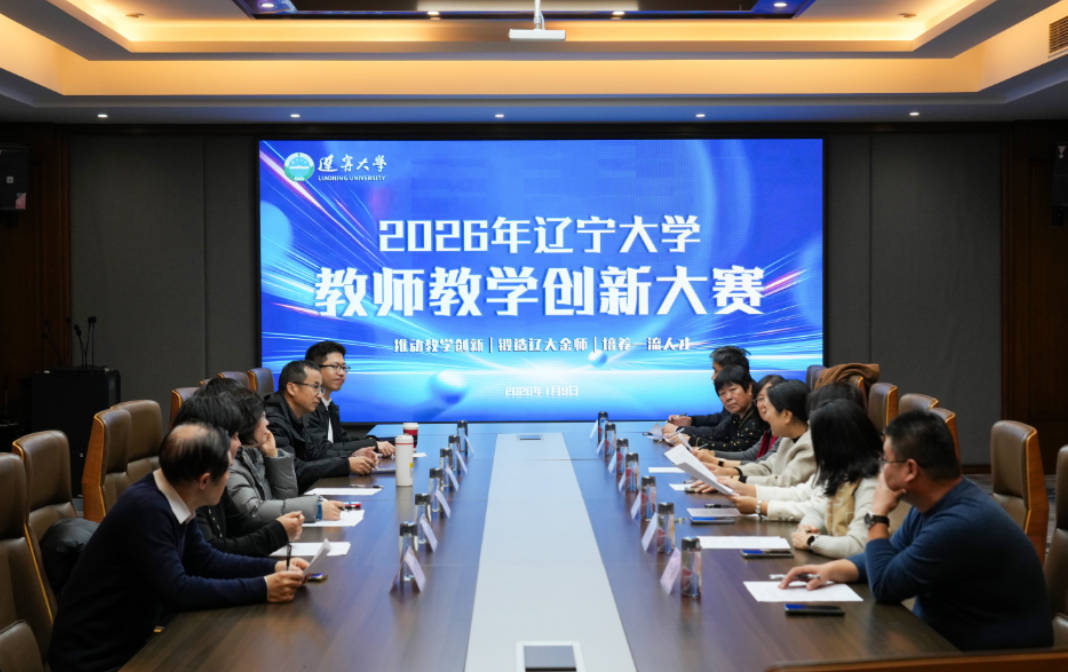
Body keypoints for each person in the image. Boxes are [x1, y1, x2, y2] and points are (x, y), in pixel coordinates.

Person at [781, 411, 1053, 651]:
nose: (880, 471)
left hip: (997, 658)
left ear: (910, 469)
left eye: (885, 461)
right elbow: (891, 553)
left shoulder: (958, 524)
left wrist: (877, 515)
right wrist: (832, 570)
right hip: (944, 637)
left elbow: (885, 586)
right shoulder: (935, 501)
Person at [48, 422, 308, 672]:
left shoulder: (172, 493)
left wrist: (273, 568)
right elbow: (178, 591)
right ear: (204, 481)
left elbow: (206, 561)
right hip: (96, 661)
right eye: (227, 471)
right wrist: (263, 588)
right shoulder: (148, 509)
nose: (229, 477)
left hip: (130, 647)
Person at [729, 400, 882, 558]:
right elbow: (818, 510)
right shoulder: (842, 470)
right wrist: (807, 529)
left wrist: (811, 541)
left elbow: (859, 546)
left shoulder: (872, 481)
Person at [174, 392, 303, 557]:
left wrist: (280, 526)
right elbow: (211, 552)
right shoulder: (185, 486)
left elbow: (237, 524)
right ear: (211, 438)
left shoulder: (209, 472)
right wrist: (276, 534)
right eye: (235, 436)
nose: (240, 443)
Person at [224, 384, 349, 523]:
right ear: (247, 423)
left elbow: (286, 497)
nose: (267, 423)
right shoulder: (230, 463)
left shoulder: (255, 451)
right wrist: (315, 509)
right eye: (262, 417)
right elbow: (252, 511)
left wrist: (273, 456)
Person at [265, 360, 376, 492]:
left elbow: (314, 453)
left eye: (320, 388)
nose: (320, 394)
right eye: (315, 387)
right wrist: (345, 464)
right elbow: (293, 470)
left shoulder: (294, 415)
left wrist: (353, 454)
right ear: (292, 388)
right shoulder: (272, 421)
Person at [303, 340, 395, 457]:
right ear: (315, 369)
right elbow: (321, 449)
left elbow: (342, 439)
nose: (342, 373)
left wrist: (371, 441)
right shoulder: (306, 406)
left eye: (343, 367)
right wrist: (373, 444)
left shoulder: (329, 405)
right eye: (334, 366)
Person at [666, 365, 767, 451]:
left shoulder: (757, 417)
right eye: (722, 393)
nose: (728, 397)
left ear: (749, 388)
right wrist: (685, 436)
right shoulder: (737, 414)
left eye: (733, 390)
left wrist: (691, 440)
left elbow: (736, 449)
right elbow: (718, 435)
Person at [695, 374, 784, 469]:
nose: (765, 404)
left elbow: (764, 466)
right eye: (760, 398)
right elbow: (748, 455)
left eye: (771, 398)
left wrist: (716, 461)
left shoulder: (785, 434)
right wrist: (711, 454)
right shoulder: (769, 431)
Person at [666, 345, 749, 434]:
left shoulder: (743, 397)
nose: (713, 377)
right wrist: (690, 421)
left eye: (716, 371)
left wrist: (678, 430)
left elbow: (719, 433)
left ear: (729, 371)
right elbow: (721, 418)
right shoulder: (734, 391)